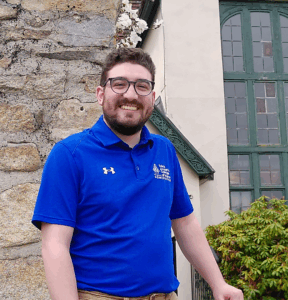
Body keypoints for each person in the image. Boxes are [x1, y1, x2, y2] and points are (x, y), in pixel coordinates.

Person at [32, 48, 243, 300]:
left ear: (152, 98)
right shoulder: (69, 154)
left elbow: (185, 223)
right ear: (101, 94)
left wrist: (218, 284)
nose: (130, 94)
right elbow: (54, 245)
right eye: (119, 84)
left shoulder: (164, 150)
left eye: (142, 86)